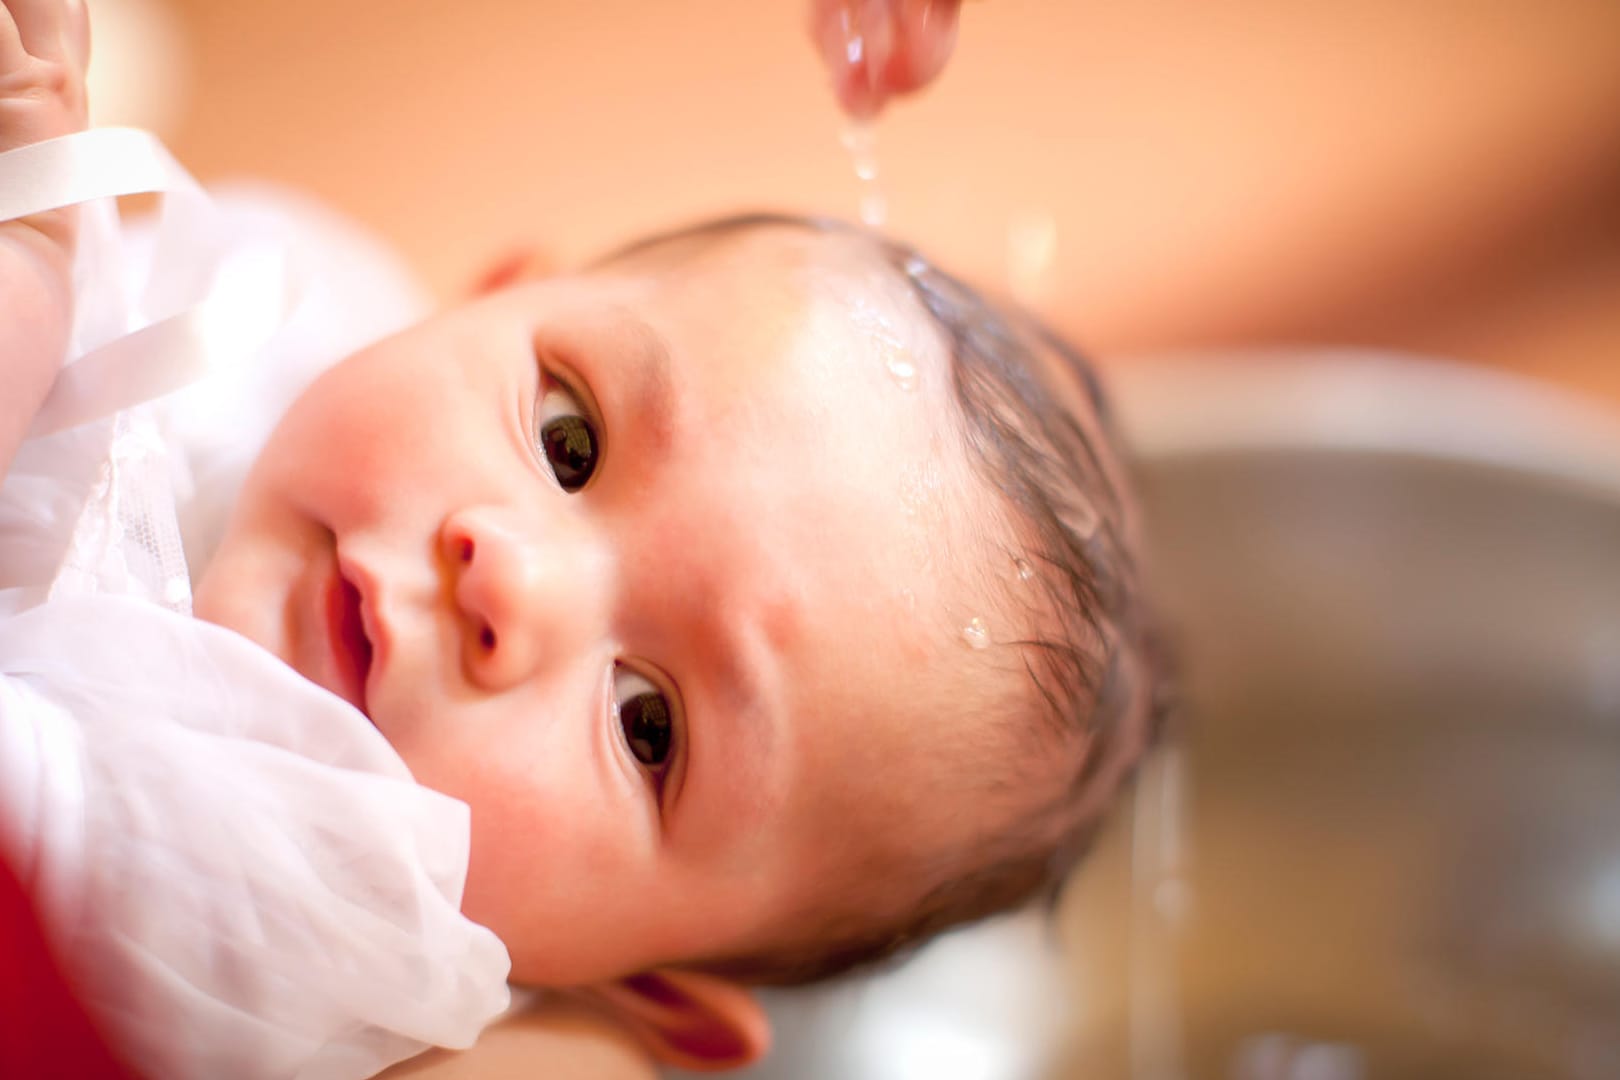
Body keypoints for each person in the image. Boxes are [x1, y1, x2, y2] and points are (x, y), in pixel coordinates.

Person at [1, 1, 1168, 1076]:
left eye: (645, 724)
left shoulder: (290, 916)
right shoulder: (312, 309)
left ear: (645, 991)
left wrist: (30, 271)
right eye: (571, 442)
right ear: (489, 297)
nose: (509, 574)